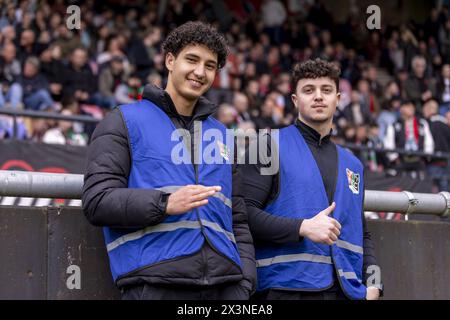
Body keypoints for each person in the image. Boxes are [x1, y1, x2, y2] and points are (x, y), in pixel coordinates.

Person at [82, 21, 256, 300]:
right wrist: (165, 204)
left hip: (227, 285)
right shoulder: (123, 120)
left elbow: (238, 218)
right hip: (154, 282)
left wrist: (245, 281)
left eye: (210, 66)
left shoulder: (223, 135)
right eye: (192, 60)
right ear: (170, 60)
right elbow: (97, 201)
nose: (200, 72)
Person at [241, 58, 382, 300]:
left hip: (347, 292)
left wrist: (376, 285)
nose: (318, 96)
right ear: (295, 100)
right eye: (309, 90)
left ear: (338, 98)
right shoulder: (266, 145)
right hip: (285, 288)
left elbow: (363, 234)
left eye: (326, 90)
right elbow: (242, 214)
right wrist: (302, 227)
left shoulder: (354, 164)